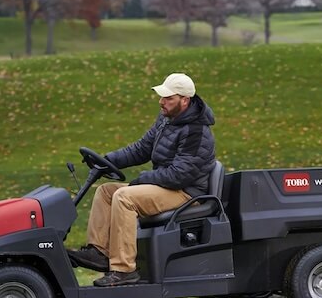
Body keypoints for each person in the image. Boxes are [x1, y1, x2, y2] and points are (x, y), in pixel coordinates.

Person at [69, 73, 216, 287]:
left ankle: (124, 270)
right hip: (167, 185)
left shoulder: (197, 132)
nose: (161, 102)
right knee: (106, 191)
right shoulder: (167, 120)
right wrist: (108, 160)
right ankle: (100, 252)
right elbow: (142, 148)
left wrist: (144, 179)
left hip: (186, 193)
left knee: (124, 197)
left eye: (168, 98)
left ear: (185, 100)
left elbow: (180, 175)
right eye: (161, 96)